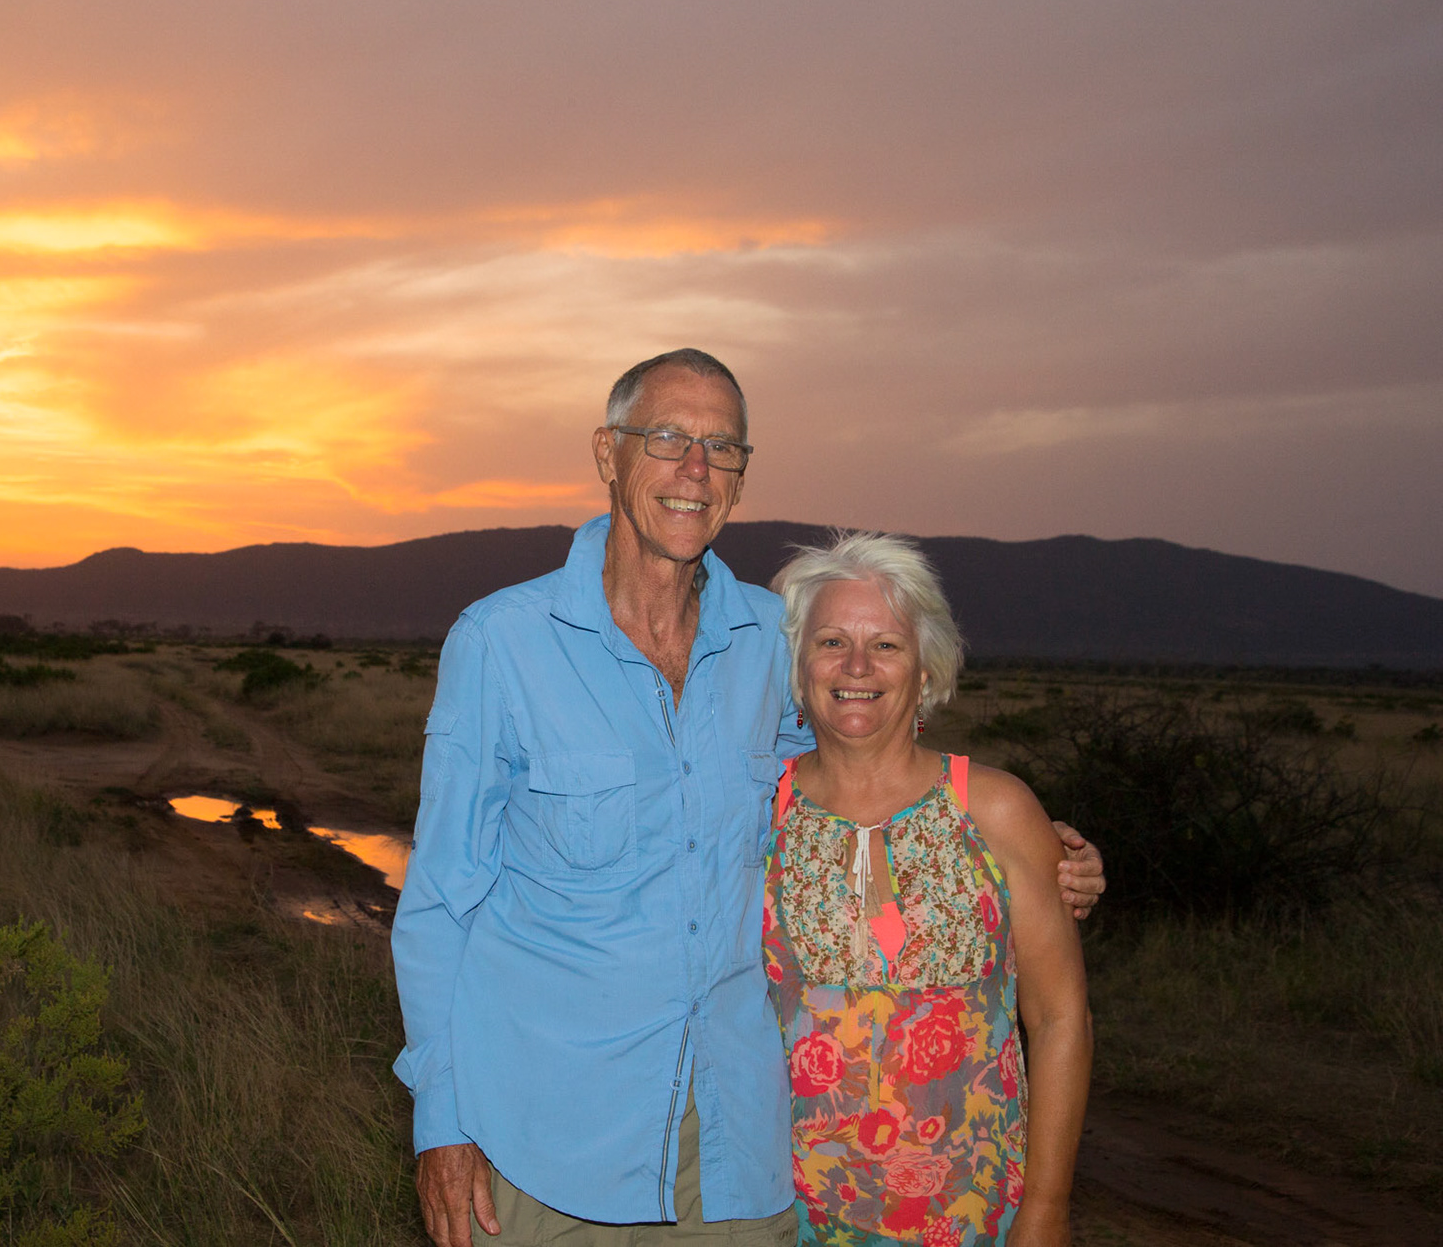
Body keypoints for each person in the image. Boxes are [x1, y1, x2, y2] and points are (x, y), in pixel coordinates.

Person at [391, 350, 1104, 1247]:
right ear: (608, 453)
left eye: (722, 449)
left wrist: (1040, 853)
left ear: (740, 476)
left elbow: (866, 770)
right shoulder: (501, 643)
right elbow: (439, 905)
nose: (695, 469)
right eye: (668, 439)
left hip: (737, 1151)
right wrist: (444, 1121)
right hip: (549, 1140)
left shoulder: (774, 640)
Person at [763, 533, 1092, 1246]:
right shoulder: (756, 817)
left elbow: (1061, 1017)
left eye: (885, 644)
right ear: (797, 663)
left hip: (980, 1216)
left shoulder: (995, 810)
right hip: (791, 1219)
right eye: (830, 641)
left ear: (925, 667)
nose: (856, 666)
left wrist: (1047, 1210)